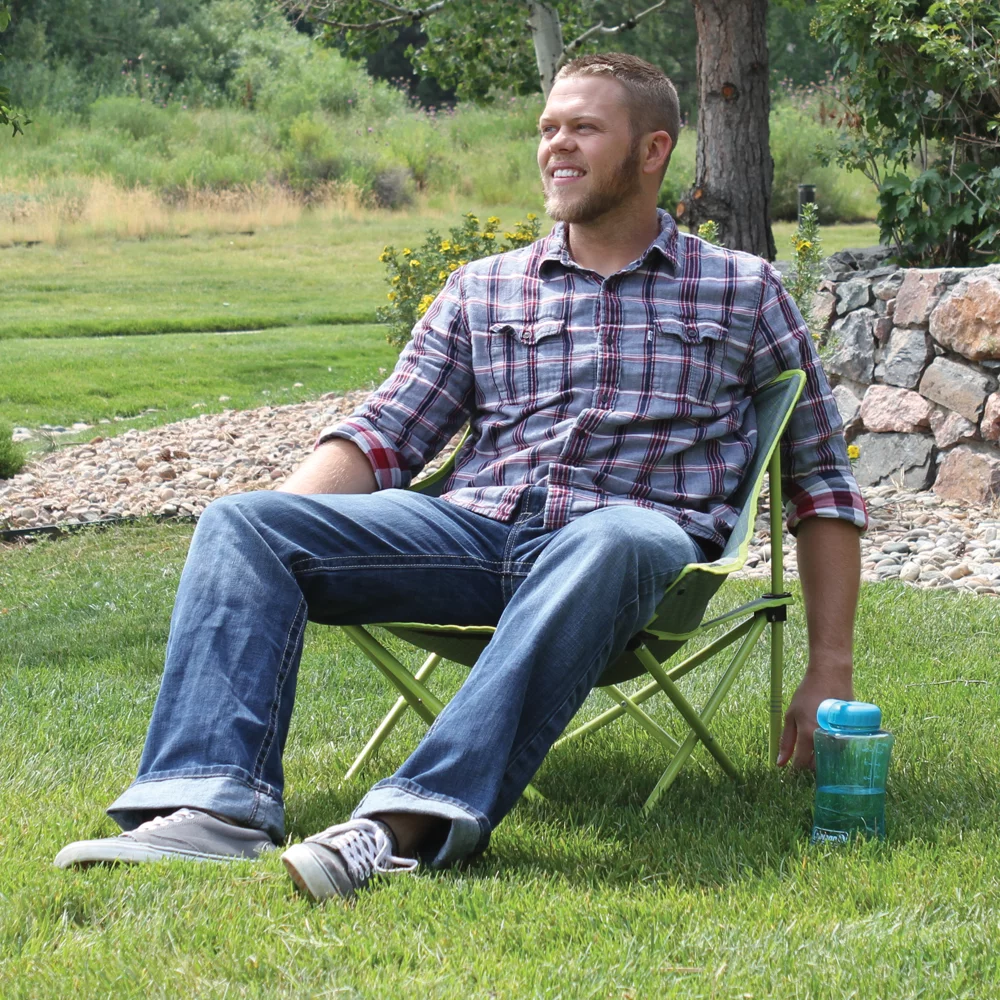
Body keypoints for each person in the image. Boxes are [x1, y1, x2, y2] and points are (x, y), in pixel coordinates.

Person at [55, 53, 866, 900]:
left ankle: (398, 828)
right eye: (548, 128)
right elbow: (383, 435)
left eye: (584, 128)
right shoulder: (484, 289)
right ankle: (208, 809)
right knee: (245, 521)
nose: (556, 145)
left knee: (615, 537)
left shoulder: (744, 290)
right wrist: (288, 542)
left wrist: (830, 669)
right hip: (474, 538)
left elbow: (823, 486)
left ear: (653, 149)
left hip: (633, 552)